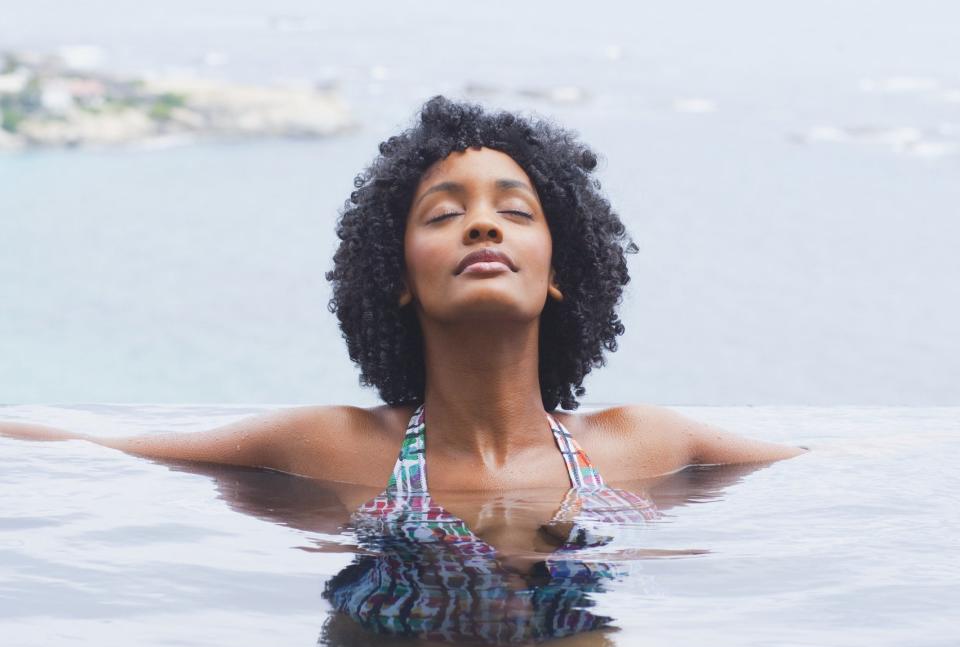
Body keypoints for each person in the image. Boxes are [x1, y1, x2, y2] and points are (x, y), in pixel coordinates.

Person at [0, 95, 805, 558]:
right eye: (445, 213)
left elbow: (842, 469)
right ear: (397, 280)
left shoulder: (643, 443)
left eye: (514, 212)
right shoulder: (336, 448)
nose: (483, 227)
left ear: (560, 273)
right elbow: (106, 449)